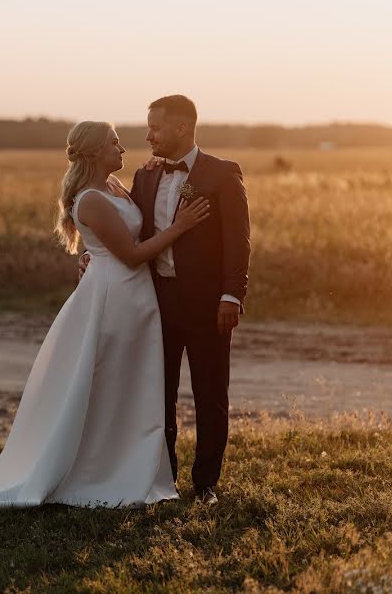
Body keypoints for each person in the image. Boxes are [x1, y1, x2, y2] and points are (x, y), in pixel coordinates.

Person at [0, 121, 209, 512]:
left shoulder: (115, 187)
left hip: (134, 295)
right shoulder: (90, 199)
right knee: (108, 381)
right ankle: (99, 472)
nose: (122, 149)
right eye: (114, 143)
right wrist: (180, 227)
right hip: (114, 295)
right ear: (95, 153)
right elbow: (130, 255)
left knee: (130, 382)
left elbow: (130, 240)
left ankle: (128, 466)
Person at [81, 95, 251, 505]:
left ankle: (205, 483)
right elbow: (132, 232)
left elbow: (238, 242)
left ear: (180, 128)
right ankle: (164, 478)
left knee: (211, 393)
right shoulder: (146, 176)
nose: (147, 135)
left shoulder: (222, 175)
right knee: (158, 394)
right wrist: (93, 252)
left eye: (154, 127)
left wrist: (232, 294)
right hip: (154, 303)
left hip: (210, 304)